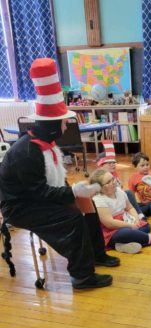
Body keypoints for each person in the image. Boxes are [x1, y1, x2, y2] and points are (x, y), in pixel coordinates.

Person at [0, 58, 120, 290]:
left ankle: (96, 254)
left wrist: (79, 192)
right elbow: (39, 193)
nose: (66, 126)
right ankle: (82, 277)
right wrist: (72, 192)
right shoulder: (27, 153)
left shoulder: (45, 144)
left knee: (87, 205)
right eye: (64, 122)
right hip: (20, 207)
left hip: (35, 198)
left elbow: (52, 183)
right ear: (53, 125)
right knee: (73, 218)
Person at [90, 168, 151, 253]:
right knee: (124, 233)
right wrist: (130, 226)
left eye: (113, 179)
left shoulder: (119, 191)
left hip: (126, 220)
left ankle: (120, 245)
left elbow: (130, 208)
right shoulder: (98, 200)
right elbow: (110, 223)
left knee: (146, 227)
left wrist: (136, 220)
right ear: (99, 188)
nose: (114, 182)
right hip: (112, 229)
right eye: (109, 182)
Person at [97, 140, 145, 219]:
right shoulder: (100, 178)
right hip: (110, 205)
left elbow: (120, 191)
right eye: (109, 163)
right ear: (101, 166)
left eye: (114, 162)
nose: (113, 165)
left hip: (119, 201)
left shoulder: (114, 175)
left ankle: (140, 214)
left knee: (129, 193)